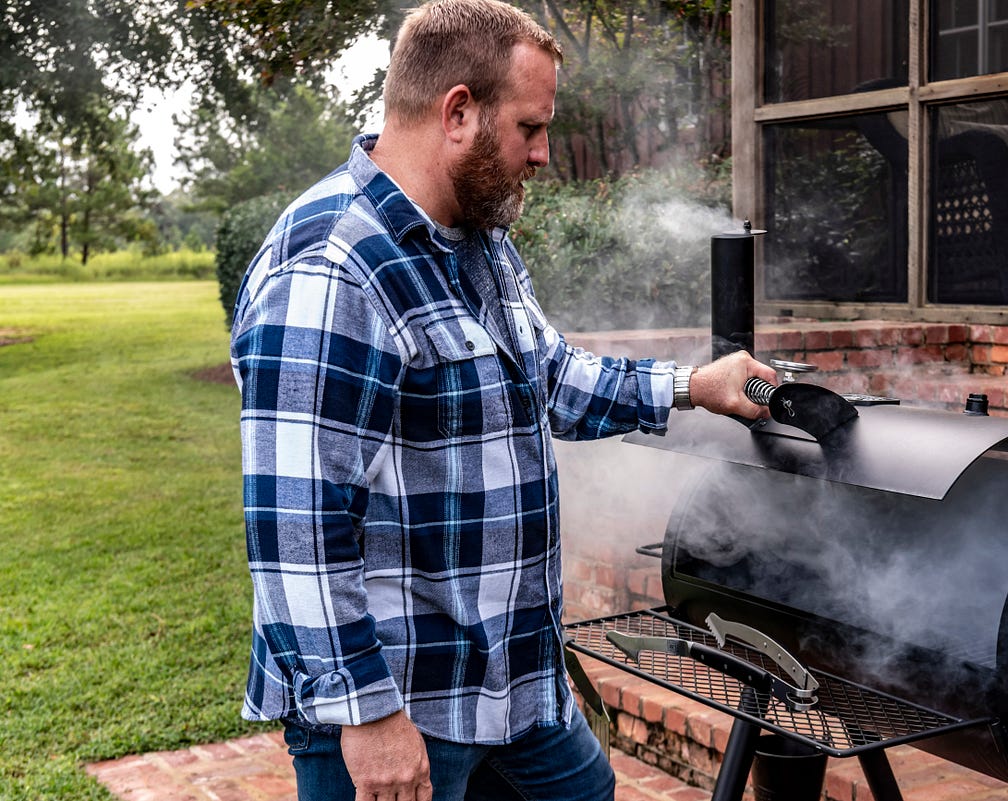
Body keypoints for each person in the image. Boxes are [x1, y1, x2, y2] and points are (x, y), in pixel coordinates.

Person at [229, 1, 778, 799]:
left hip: (512, 684)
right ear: (458, 112)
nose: (545, 153)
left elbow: (549, 378)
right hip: (402, 704)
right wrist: (366, 713)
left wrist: (696, 386)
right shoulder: (333, 267)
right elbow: (296, 522)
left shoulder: (477, 240)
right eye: (530, 128)